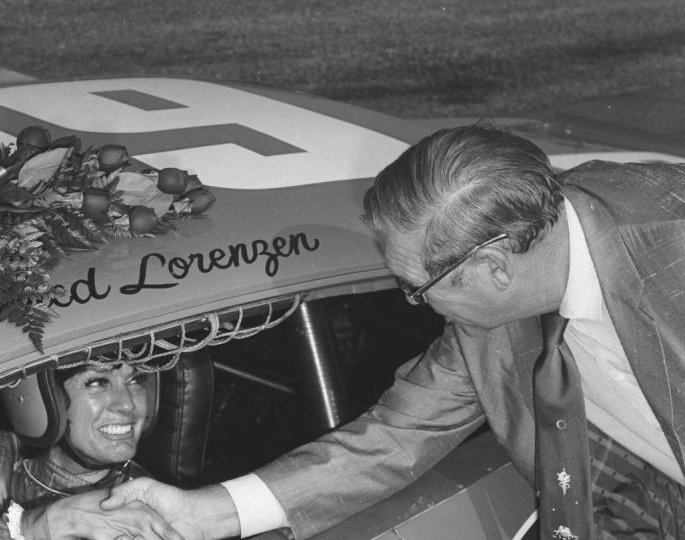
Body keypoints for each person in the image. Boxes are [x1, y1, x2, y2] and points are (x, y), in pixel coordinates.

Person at [101, 123, 685, 539]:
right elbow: (397, 435)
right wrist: (205, 513)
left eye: (417, 289)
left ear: (494, 268)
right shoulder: (498, 296)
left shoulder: (673, 254)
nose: (419, 307)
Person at [0, 362, 180, 540]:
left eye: (136, 380)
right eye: (97, 383)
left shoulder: (153, 505)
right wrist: (39, 525)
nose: (126, 405)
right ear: (44, 398)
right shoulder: (0, 455)